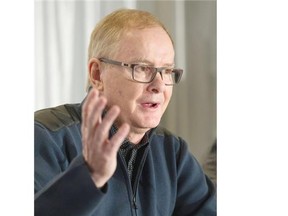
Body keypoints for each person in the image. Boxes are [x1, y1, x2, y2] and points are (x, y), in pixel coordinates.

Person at [34, 8, 216, 216]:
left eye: (166, 71)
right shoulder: (43, 136)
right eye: (141, 68)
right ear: (97, 74)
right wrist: (88, 177)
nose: (159, 85)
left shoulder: (172, 152)